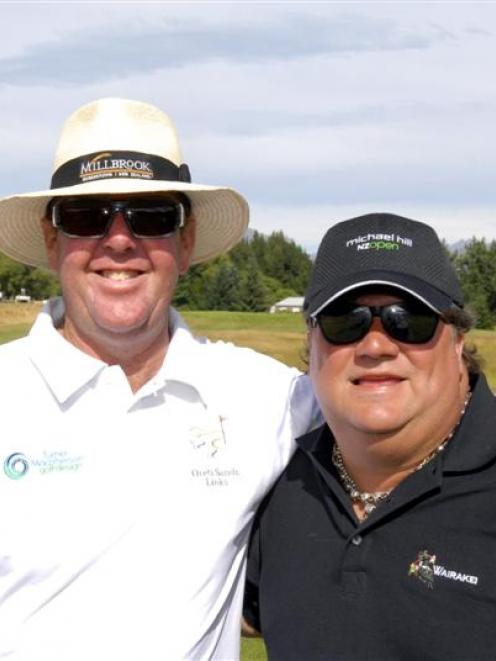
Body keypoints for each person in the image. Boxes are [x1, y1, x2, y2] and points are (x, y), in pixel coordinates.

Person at [0, 98, 319, 660]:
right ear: (53, 244)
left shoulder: (268, 397)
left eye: (151, 215)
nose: (119, 240)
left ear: (185, 241)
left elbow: (410, 423)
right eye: (86, 217)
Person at [243, 212, 496, 661]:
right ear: (313, 344)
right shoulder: (280, 479)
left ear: (457, 340)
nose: (376, 346)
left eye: (410, 319)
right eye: (346, 320)